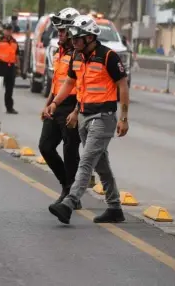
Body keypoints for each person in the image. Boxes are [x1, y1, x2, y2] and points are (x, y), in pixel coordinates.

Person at [46, 14, 130, 224]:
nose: (73, 41)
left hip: (104, 118)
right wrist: (55, 103)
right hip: (84, 116)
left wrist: (124, 117)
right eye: (72, 37)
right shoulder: (77, 56)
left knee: (85, 162)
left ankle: (69, 203)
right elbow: (70, 84)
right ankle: (115, 208)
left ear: (90, 38)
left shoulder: (108, 56)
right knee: (101, 165)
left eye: (77, 38)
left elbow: (122, 85)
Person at [38, 8, 82, 208]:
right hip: (56, 103)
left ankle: (71, 194)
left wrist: (76, 111)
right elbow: (56, 81)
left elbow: (81, 85)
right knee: (45, 146)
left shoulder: (79, 55)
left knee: (70, 150)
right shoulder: (59, 51)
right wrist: (48, 104)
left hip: (72, 105)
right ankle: (68, 186)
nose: (60, 34)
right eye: (59, 31)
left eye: (63, 31)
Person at [0, 23, 20, 114]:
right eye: (7, 30)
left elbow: (17, 55)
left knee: (10, 88)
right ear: (3, 30)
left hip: (11, 67)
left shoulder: (14, 41)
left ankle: (9, 108)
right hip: (1, 66)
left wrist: (18, 67)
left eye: (10, 30)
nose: (8, 32)